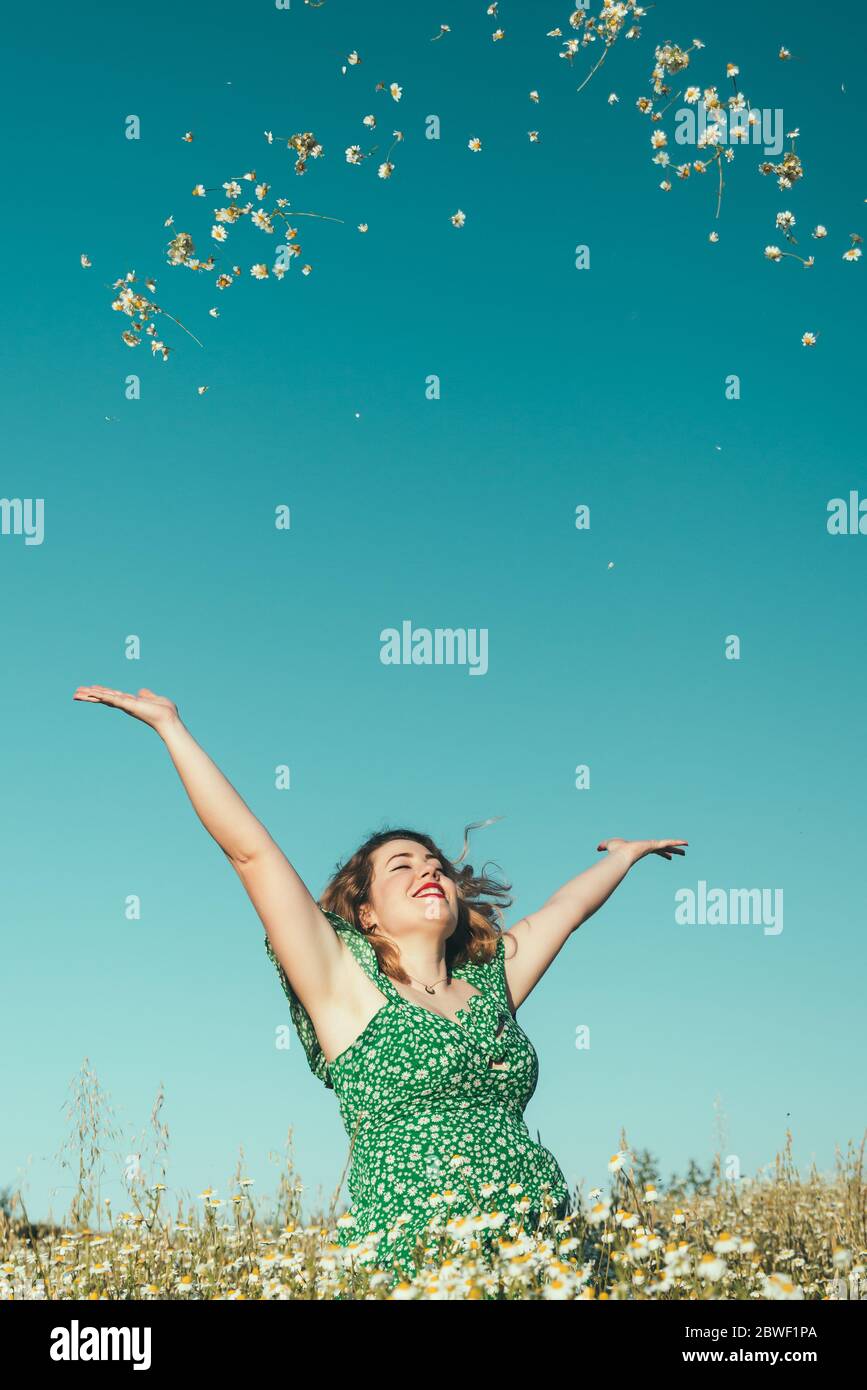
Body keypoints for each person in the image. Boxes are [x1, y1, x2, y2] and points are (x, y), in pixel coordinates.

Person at [72, 682, 687, 1287]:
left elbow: (567, 909)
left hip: (543, 1253)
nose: (430, 872)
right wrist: (172, 728)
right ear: (365, 912)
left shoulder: (490, 982)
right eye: (404, 866)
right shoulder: (342, 982)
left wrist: (623, 857)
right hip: (412, 1267)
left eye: (437, 867)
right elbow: (250, 853)